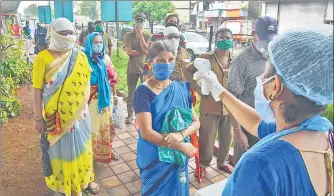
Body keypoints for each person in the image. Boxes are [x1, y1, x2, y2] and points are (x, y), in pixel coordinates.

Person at [195, 25, 333, 196]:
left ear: (275, 86)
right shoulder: (323, 129)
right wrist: (219, 90)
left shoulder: (260, 165)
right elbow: (257, 124)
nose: (261, 78)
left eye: (264, 72)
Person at [33, 17, 95, 195]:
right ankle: (62, 186)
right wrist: (38, 118)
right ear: (53, 33)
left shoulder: (80, 56)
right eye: (63, 32)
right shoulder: (42, 58)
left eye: (71, 32)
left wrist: (80, 107)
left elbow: (86, 85)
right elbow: (37, 90)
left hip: (80, 116)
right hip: (56, 119)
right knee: (59, 152)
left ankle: (84, 180)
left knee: (83, 147)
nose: (68, 36)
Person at [134, 40, 200, 195]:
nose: (167, 64)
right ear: (150, 63)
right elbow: (147, 133)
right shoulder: (142, 92)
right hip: (154, 155)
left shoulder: (181, 88)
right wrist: (181, 146)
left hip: (178, 157)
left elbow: (196, 122)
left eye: (170, 60)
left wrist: (180, 135)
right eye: (161, 61)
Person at [227, 16, 278, 164]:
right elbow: (232, 98)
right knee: (244, 167)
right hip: (248, 126)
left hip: (271, 125)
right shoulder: (241, 61)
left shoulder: (275, 57)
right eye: (266, 39)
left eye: (272, 39)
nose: (269, 43)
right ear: (254, 35)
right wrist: (237, 131)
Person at [185, 28, 234, 177]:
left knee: (227, 138)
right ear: (216, 40)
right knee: (207, 138)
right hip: (209, 107)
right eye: (221, 37)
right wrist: (198, 88)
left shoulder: (236, 60)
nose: (225, 39)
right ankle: (203, 165)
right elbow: (188, 71)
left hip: (229, 107)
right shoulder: (206, 58)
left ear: (232, 40)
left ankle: (223, 162)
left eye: (228, 37)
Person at [85, 32, 120, 163]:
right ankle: (92, 153)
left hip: (106, 99)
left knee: (106, 125)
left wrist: (115, 94)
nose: (98, 45)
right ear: (89, 44)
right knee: (93, 127)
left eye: (100, 42)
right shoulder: (84, 59)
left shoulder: (106, 58)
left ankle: (109, 150)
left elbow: (112, 79)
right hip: (91, 101)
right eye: (95, 43)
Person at [124, 12, 152, 124]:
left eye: (141, 20)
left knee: (145, 93)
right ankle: (129, 115)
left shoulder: (148, 35)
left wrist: (141, 37)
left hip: (144, 68)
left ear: (144, 22)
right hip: (132, 68)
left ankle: (143, 117)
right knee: (131, 93)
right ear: (134, 21)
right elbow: (129, 52)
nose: (139, 22)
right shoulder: (128, 35)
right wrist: (142, 52)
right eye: (137, 20)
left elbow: (146, 50)